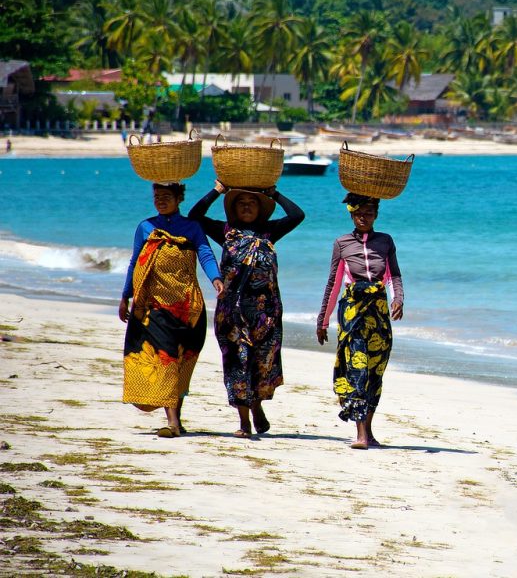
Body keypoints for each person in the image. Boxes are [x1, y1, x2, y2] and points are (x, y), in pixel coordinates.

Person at [188, 181, 305, 438]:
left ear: (261, 209)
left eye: (252, 203)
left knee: (262, 364)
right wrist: (217, 190)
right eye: (241, 203)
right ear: (234, 209)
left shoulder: (269, 231)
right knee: (236, 362)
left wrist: (274, 194)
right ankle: (244, 422)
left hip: (267, 313)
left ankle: (256, 405)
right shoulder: (225, 231)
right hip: (232, 312)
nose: (247, 206)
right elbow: (194, 216)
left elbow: (298, 215)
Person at [120, 182, 224, 438]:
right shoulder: (146, 227)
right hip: (154, 307)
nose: (160, 201)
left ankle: (176, 418)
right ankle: (173, 423)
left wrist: (216, 279)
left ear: (179, 199)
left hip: (188, 307)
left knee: (180, 362)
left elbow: (206, 255)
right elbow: (135, 262)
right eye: (157, 197)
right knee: (165, 358)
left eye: (166, 196)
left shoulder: (192, 227)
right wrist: (125, 295)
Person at [316, 193, 404, 449]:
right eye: (358, 213)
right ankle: (361, 434)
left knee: (375, 372)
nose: (362, 217)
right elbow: (333, 283)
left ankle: (369, 430)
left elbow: (394, 275)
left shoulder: (385, 241)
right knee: (357, 368)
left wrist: (398, 298)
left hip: (378, 314)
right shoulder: (342, 243)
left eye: (368, 213)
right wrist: (323, 320)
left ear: (376, 215)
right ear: (352, 215)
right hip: (352, 313)